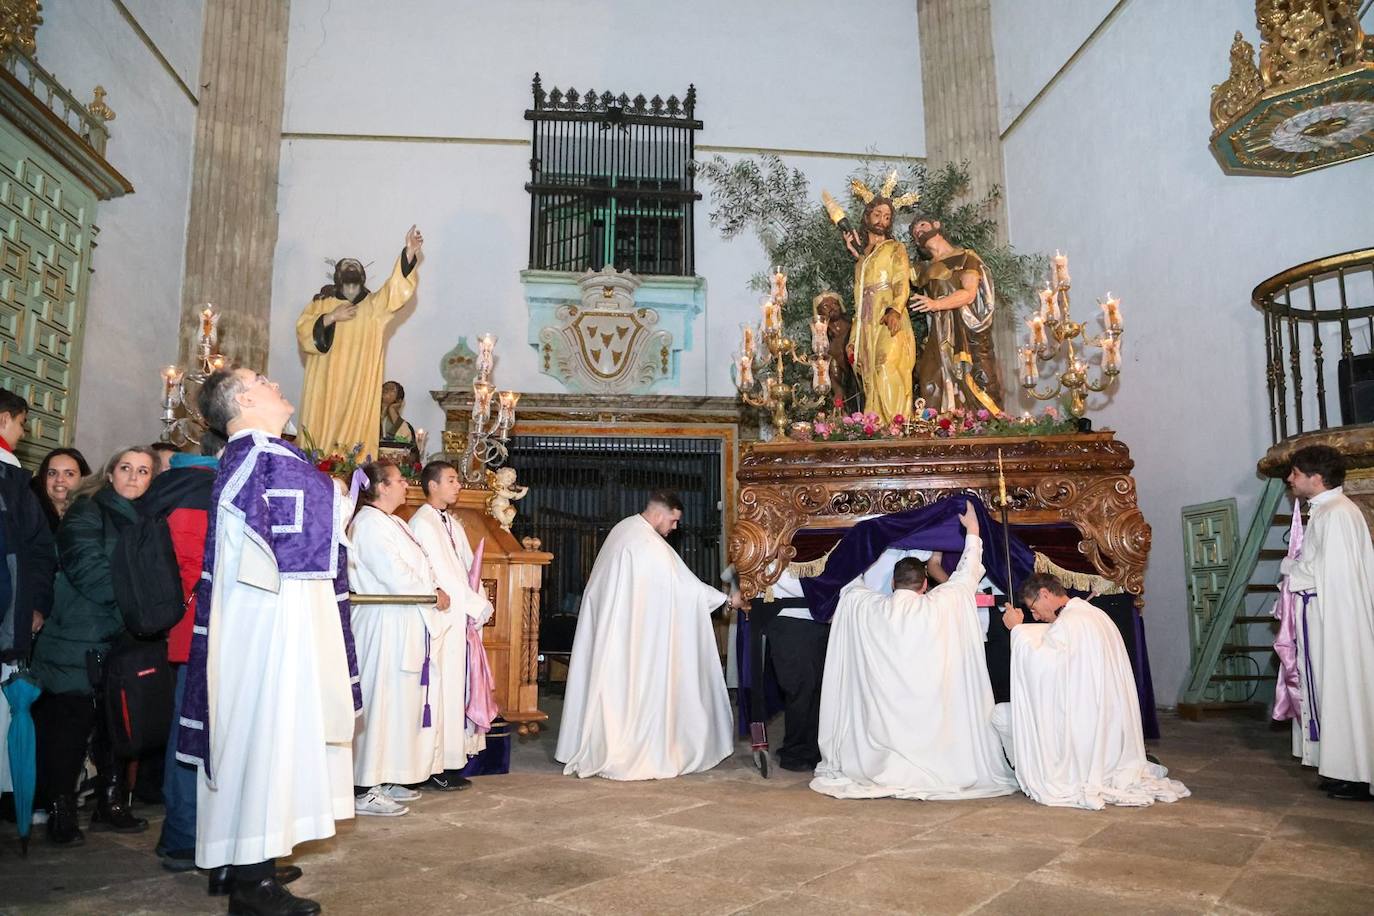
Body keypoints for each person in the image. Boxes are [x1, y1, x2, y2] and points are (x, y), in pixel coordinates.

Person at [178, 367, 360, 915]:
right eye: (261, 378)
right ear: (244, 399)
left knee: (250, 740)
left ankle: (239, 857)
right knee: (267, 739)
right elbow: (322, 518)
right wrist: (346, 493)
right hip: (272, 631)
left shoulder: (253, 456)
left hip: (261, 622)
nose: (274, 381)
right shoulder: (264, 457)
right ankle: (252, 886)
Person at [810, 501, 1017, 800]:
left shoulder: (867, 607)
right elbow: (966, 574)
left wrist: (861, 540)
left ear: (893, 583)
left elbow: (849, 581)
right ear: (924, 585)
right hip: (931, 714)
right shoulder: (941, 604)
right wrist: (972, 530)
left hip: (885, 722)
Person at [556, 490, 741, 780]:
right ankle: (629, 748)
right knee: (635, 691)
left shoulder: (624, 528)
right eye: (673, 521)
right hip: (633, 638)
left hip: (617, 631)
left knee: (615, 692)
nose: (674, 528)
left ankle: (605, 741)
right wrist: (728, 600)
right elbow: (684, 588)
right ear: (658, 514)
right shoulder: (648, 543)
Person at [30, 446, 159, 846]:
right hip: (77, 637)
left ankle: (111, 804)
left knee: (114, 725)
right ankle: (60, 812)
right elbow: (88, 570)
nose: (134, 477)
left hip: (123, 638)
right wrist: (140, 606)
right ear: (109, 472)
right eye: (126, 468)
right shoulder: (88, 510)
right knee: (68, 729)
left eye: (143, 471)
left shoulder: (148, 519)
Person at [994, 573, 1189, 809]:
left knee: (1001, 715)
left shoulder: (1071, 622)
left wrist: (1016, 630)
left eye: (1033, 608)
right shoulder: (1092, 614)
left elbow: (1046, 668)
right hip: (1105, 720)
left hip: (1082, 727)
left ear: (1045, 594)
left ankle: (1032, 772)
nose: (1035, 616)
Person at [140, 429, 225, 872]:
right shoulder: (199, 491)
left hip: (189, 630)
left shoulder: (182, 484)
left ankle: (195, 834)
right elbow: (197, 569)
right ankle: (181, 838)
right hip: (199, 631)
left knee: (194, 731)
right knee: (190, 733)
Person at [348, 459, 449, 816]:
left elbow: (421, 566)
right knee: (380, 700)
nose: (406, 485)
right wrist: (432, 592)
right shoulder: (369, 524)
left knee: (398, 703)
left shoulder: (391, 522)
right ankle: (363, 786)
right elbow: (395, 576)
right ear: (381, 487)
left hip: (402, 620)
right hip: (382, 624)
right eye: (399, 480)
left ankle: (386, 774)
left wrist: (433, 586)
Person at [1280, 445, 1374, 802]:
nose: (1290, 478)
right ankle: (1340, 769)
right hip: (1322, 614)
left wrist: (1291, 569)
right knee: (1329, 690)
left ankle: (1355, 774)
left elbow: (1328, 572)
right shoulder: (1328, 510)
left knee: (1341, 688)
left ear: (1316, 478)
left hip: (1335, 619)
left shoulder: (1336, 513)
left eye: (1296, 473)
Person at [295, 226, 423, 461]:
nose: (351, 268)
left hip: (359, 383)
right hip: (326, 382)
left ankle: (350, 467)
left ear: (363, 276)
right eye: (346, 266)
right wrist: (330, 318)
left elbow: (396, 291)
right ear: (338, 275)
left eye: (356, 266)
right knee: (322, 425)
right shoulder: (320, 305)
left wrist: (409, 253)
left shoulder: (374, 307)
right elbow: (304, 332)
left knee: (354, 430)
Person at [408, 460, 495, 790]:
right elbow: (443, 575)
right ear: (432, 485)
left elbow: (468, 568)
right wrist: (476, 605)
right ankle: (434, 765)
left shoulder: (451, 524)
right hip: (443, 620)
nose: (458, 485)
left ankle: (450, 761)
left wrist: (479, 602)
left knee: (458, 689)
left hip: (462, 618)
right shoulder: (423, 524)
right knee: (442, 693)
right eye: (451, 480)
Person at [0, 392, 56, 811]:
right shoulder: (11, 479)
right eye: (21, 424)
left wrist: (34, 606)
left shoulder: (15, 480)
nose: (24, 433)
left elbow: (36, 552)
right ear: (5, 421)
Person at [908, 215, 1003, 412]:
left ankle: (980, 429)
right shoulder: (922, 270)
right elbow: (889, 270)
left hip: (966, 332)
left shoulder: (966, 257)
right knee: (929, 380)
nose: (919, 231)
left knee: (978, 381)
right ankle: (943, 426)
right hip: (939, 333)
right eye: (915, 232)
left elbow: (968, 294)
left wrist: (935, 304)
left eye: (923, 225)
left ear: (937, 225)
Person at [842, 197, 915, 425]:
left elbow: (902, 281)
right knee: (870, 374)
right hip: (867, 322)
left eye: (887, 217)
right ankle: (875, 425)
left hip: (889, 316)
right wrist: (854, 337)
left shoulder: (895, 248)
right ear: (867, 217)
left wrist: (895, 309)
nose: (882, 220)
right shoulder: (861, 261)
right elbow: (858, 302)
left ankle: (896, 426)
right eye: (877, 215)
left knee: (886, 365)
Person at [813, 292, 861, 415]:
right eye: (825, 306)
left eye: (835, 303)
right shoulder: (821, 336)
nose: (832, 307)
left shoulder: (853, 326)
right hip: (835, 373)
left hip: (855, 371)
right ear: (818, 312)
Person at [31, 447, 91, 531]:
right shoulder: (27, 513)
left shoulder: (92, 517)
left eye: (69, 474)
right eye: (52, 473)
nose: (59, 479)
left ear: (82, 479)